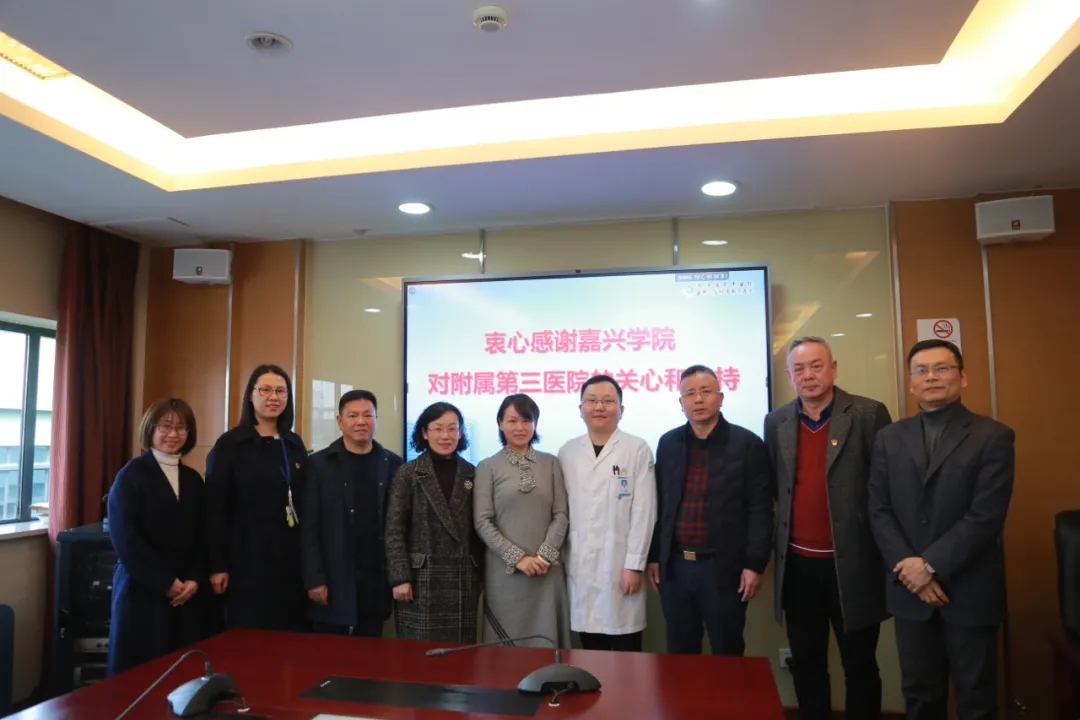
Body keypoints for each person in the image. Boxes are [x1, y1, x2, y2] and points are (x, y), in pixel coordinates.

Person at [869, 339, 1015, 720]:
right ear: (911, 382)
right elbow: (878, 510)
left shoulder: (993, 437)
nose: (931, 377)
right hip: (909, 592)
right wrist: (911, 569)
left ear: (962, 377)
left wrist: (929, 565)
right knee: (919, 696)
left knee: (976, 698)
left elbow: (985, 516)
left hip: (969, 591)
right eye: (921, 370)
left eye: (942, 368)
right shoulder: (889, 438)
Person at [765, 338, 892, 720]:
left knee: (860, 663)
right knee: (806, 661)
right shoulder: (777, 421)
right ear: (790, 375)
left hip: (853, 564)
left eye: (816, 365)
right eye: (799, 369)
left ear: (833, 368)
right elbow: (776, 487)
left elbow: (885, 486)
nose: (808, 375)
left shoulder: (868, 414)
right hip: (798, 567)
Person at [646, 365, 773, 656]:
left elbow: (761, 509)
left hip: (724, 569)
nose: (698, 399)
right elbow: (660, 505)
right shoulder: (668, 443)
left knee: (727, 651)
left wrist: (755, 564)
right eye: (690, 393)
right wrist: (655, 556)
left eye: (706, 391)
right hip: (676, 568)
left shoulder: (747, 444)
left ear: (721, 397)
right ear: (681, 402)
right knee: (680, 652)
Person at [204, 364, 310, 632]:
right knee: (250, 637)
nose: (274, 397)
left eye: (281, 391)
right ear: (251, 395)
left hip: (289, 562)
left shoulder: (294, 444)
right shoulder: (230, 445)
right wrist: (217, 565)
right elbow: (214, 509)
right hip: (245, 561)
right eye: (265, 390)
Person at [106, 398, 205, 676]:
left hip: (186, 593)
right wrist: (166, 583)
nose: (173, 434)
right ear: (150, 429)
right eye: (165, 426)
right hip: (142, 590)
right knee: (139, 679)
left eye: (180, 427)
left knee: (183, 677)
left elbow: (202, 534)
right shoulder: (131, 476)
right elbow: (126, 539)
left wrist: (194, 579)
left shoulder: (193, 479)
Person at [558, 375, 656, 652]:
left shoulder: (637, 449)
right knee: (589, 649)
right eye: (591, 400)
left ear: (621, 409)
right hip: (580, 567)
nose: (599, 407)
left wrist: (634, 565)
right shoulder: (567, 452)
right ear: (581, 409)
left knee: (626, 650)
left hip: (621, 565)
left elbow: (644, 511)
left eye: (608, 401)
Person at [302, 390, 403, 637]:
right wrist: (314, 579)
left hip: (375, 578)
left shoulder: (393, 464)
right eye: (353, 415)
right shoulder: (319, 465)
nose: (361, 421)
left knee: (370, 650)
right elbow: (309, 528)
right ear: (340, 421)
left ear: (376, 419)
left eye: (368, 415)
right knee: (329, 651)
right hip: (333, 575)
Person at [474, 394, 571, 648]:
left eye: (527, 420)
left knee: (547, 644)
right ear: (500, 423)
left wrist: (544, 556)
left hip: (547, 571)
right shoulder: (487, 467)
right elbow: (482, 521)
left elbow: (561, 514)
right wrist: (518, 558)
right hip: (504, 574)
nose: (520, 427)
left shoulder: (551, 463)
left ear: (535, 424)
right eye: (512, 420)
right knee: (505, 652)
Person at [385, 401, 483, 642]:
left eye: (452, 428)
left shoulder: (472, 473)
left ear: (461, 433)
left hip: (461, 578)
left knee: (460, 654)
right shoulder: (408, 473)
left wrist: (480, 574)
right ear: (424, 432)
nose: (445, 436)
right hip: (420, 579)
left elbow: (479, 529)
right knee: (419, 655)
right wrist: (400, 578)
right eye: (438, 428)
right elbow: (394, 529)